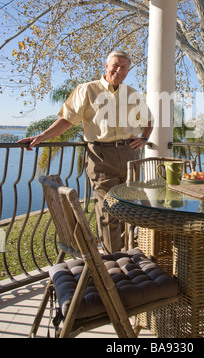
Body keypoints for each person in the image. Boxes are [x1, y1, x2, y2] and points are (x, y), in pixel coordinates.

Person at [18, 50, 153, 253]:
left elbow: (149, 120)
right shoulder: (87, 90)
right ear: (106, 66)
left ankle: (127, 255)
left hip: (129, 155)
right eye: (115, 65)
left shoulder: (132, 94)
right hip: (100, 156)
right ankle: (113, 263)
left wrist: (144, 139)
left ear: (128, 71)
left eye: (124, 67)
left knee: (128, 207)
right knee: (108, 210)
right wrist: (41, 137)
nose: (119, 69)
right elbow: (67, 120)